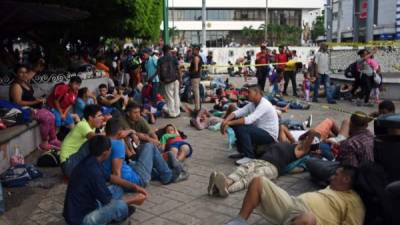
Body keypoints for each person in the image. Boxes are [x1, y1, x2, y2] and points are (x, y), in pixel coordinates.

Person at [222, 166, 364, 225]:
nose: (333, 175)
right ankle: (239, 221)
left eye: (337, 174)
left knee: (307, 218)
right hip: (292, 205)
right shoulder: (331, 188)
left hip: (311, 220)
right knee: (258, 181)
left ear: (345, 179)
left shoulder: (354, 200)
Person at [63, 135, 147, 225]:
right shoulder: (94, 172)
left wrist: (135, 187)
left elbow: (111, 178)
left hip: (83, 207)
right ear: (105, 153)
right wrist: (134, 199)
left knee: (118, 188)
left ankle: (116, 213)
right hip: (81, 221)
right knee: (119, 206)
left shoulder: (91, 160)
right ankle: (118, 216)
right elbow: (110, 202)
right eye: (111, 149)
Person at [208, 129, 320, 197]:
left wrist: (309, 136)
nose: (305, 141)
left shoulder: (301, 152)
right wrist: (297, 138)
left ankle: (224, 189)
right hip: (261, 160)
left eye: (308, 141)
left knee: (249, 178)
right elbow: (282, 127)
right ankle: (225, 183)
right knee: (242, 170)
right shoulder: (287, 143)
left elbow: (312, 134)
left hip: (272, 168)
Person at [103, 119, 189, 187]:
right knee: (149, 146)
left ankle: (165, 170)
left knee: (139, 158)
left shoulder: (103, 141)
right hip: (138, 179)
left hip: (129, 170)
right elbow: (116, 174)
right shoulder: (118, 144)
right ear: (120, 133)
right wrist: (134, 188)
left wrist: (130, 132)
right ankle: (167, 175)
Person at [306, 111, 374, 183]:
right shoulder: (371, 136)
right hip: (367, 175)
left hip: (352, 177)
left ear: (351, 124)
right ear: (366, 125)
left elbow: (348, 170)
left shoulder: (350, 143)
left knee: (310, 161)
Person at [9, 64, 60, 151]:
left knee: (52, 116)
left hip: (33, 108)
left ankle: (53, 140)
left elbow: (32, 73)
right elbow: (18, 102)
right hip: (23, 110)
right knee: (47, 118)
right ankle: (44, 143)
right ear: (16, 74)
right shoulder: (16, 86)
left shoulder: (25, 82)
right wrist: (36, 101)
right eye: (21, 72)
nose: (24, 74)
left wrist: (38, 100)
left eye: (25, 72)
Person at [221, 85, 279, 159]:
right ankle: (242, 152)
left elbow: (249, 120)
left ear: (257, 93)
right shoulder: (252, 104)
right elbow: (238, 112)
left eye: (249, 92)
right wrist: (225, 121)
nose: (247, 94)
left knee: (242, 128)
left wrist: (228, 123)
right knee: (237, 124)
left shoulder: (264, 104)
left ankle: (249, 157)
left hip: (269, 135)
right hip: (259, 131)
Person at [60, 104, 104, 176]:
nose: (102, 118)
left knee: (101, 140)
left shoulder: (92, 127)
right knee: (97, 141)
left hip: (74, 163)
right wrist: (111, 133)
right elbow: (95, 138)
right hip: (69, 164)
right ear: (90, 118)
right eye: (99, 116)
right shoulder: (83, 125)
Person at [157, 45, 181, 118]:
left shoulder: (161, 60)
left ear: (163, 51)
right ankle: (177, 112)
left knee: (169, 97)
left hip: (167, 80)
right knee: (176, 95)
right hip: (176, 79)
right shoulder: (174, 58)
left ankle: (172, 113)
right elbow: (178, 69)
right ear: (169, 50)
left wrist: (161, 80)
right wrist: (180, 79)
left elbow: (158, 71)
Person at [189, 45, 203, 112]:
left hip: (195, 77)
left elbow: (196, 69)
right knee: (197, 92)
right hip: (197, 77)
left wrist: (190, 73)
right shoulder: (199, 57)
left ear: (197, 50)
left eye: (193, 50)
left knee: (196, 93)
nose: (192, 51)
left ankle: (197, 108)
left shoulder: (196, 58)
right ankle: (198, 107)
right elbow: (199, 69)